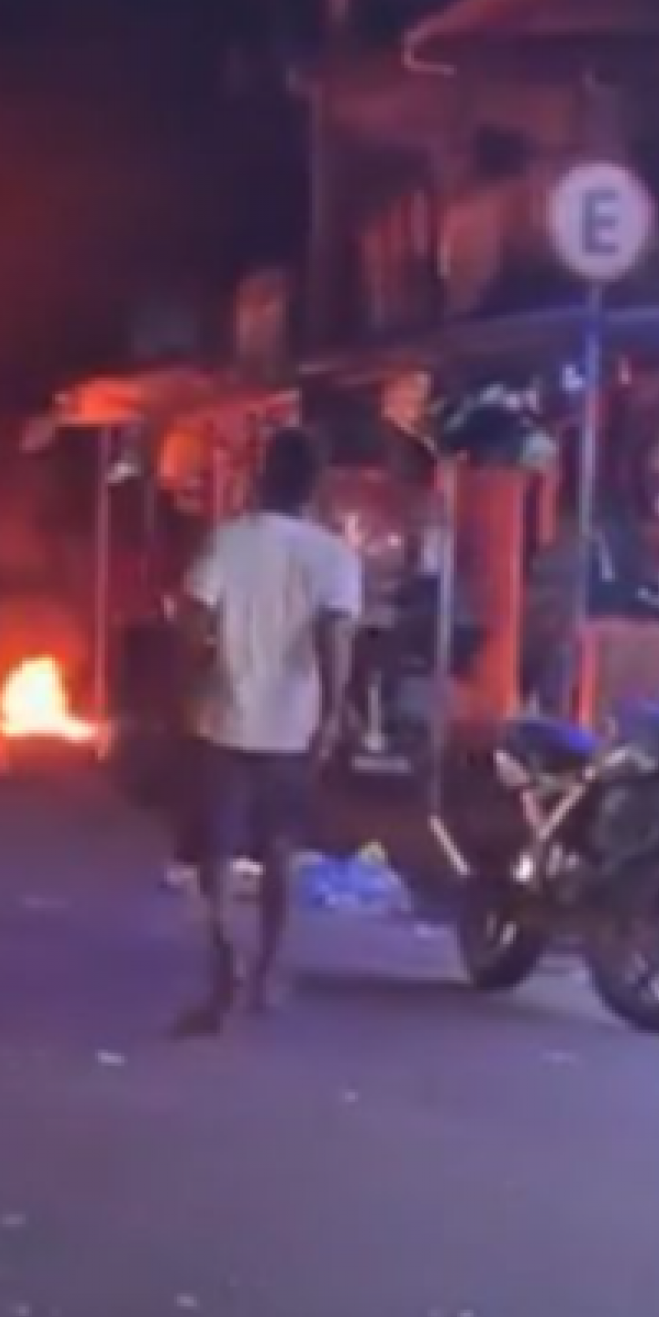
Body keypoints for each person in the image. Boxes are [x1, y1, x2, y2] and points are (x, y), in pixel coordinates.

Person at [177, 428, 361, 1032]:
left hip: (222, 716)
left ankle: (222, 950)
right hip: (293, 723)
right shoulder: (333, 556)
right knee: (281, 849)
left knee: (219, 850)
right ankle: (267, 970)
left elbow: (193, 620)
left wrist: (196, 675)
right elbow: (336, 641)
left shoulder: (227, 541)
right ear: (315, 486)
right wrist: (334, 713)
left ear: (263, 476)